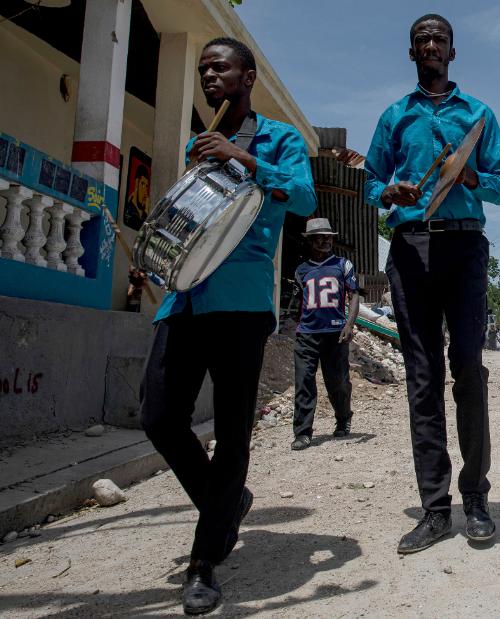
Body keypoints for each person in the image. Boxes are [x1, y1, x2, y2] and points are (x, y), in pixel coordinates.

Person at [139, 37, 317, 614]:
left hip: (241, 301)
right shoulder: (197, 144)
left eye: (221, 68)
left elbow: (305, 196)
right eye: (203, 69)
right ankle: (227, 501)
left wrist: (242, 158)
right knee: (160, 417)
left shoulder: (280, 139)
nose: (210, 76)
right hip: (185, 297)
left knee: (234, 429)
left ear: (248, 76)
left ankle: (203, 563)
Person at [346, 13, 500, 554]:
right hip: (411, 248)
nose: (432, 46)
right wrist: (386, 193)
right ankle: (435, 510)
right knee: (423, 375)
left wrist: (470, 176)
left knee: (468, 367)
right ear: (412, 52)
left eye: (440, 39)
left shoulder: (478, 116)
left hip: (464, 247)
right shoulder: (395, 116)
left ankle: (476, 499)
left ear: (453, 52)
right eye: (422, 40)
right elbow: (370, 179)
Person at [290, 217, 360, 450]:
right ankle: (303, 432)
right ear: (310, 241)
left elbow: (354, 295)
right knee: (304, 381)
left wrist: (349, 324)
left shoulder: (343, 265)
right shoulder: (302, 271)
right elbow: (298, 302)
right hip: (307, 334)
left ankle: (343, 418)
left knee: (337, 381)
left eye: (328, 237)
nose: (325, 241)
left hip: (335, 334)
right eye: (320, 238)